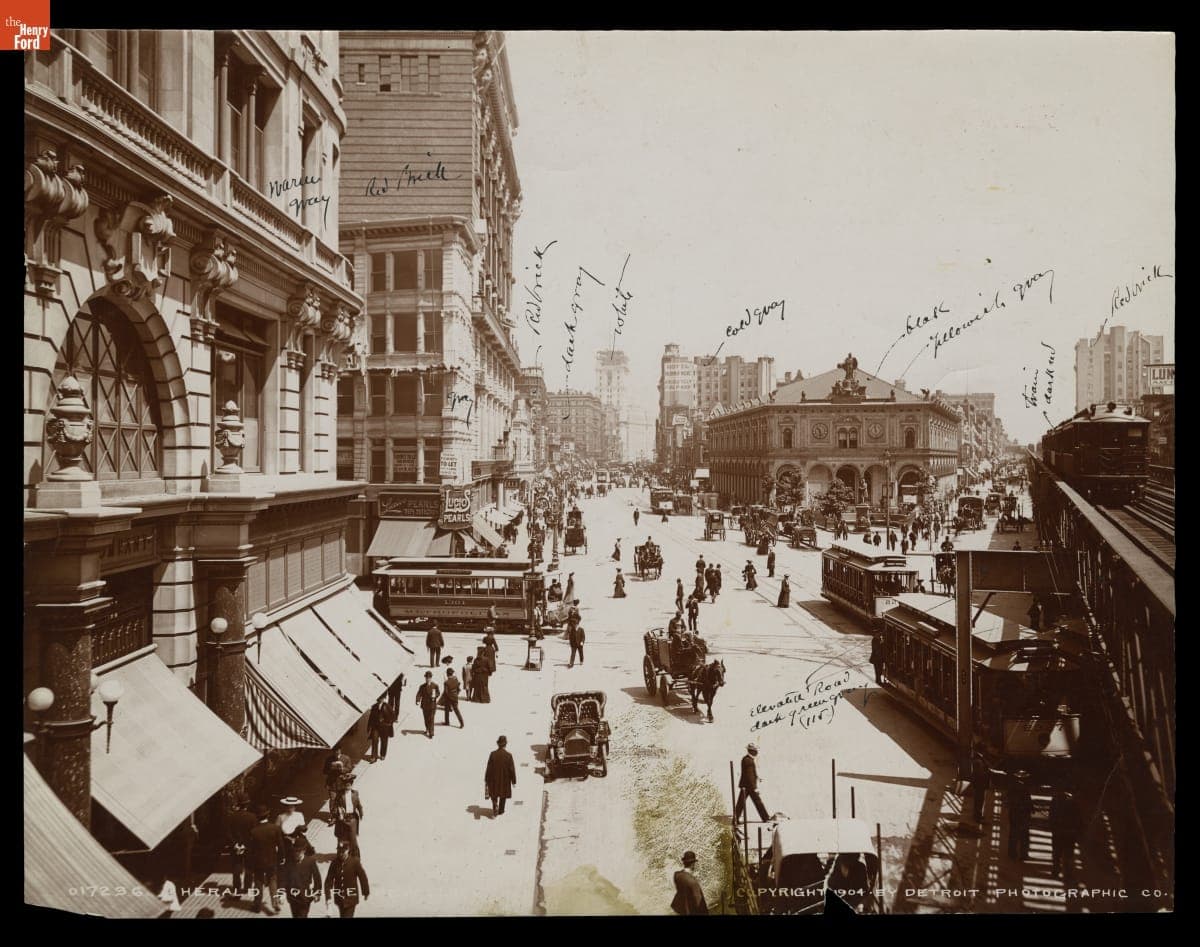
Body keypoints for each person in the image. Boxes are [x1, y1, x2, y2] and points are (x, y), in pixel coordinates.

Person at [247, 805, 285, 914]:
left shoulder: (254, 831)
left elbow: (251, 850)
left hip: (258, 862)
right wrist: (282, 857)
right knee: (273, 880)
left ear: (257, 817)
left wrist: (249, 863)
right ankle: (275, 903)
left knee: (258, 882)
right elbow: (281, 845)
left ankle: (257, 905)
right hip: (272, 860)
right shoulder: (275, 828)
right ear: (268, 815)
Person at [324, 842, 370, 918]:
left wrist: (366, 892)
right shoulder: (334, 863)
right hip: (339, 899)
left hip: (351, 898)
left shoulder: (354, 862)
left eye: (343, 851)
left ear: (348, 850)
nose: (341, 854)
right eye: (339, 851)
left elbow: (363, 877)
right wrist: (328, 898)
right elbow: (328, 881)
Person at [280, 837, 322, 918]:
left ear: (304, 851)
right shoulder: (289, 861)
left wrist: (317, 892)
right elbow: (284, 877)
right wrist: (281, 893)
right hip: (292, 898)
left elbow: (317, 878)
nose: (296, 853)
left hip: (305, 898)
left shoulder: (310, 861)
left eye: (298, 851)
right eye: (295, 851)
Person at [226, 793, 256, 894]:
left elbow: (228, 833)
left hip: (235, 847)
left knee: (236, 868)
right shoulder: (252, 817)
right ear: (247, 805)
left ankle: (237, 889)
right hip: (248, 847)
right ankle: (247, 888)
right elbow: (253, 833)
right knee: (249, 868)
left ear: (238, 804)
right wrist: (245, 845)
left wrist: (235, 844)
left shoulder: (231, 817)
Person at [1050, 789, 1082, 881]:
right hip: (1070, 833)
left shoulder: (1055, 801)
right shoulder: (1074, 803)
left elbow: (1051, 817)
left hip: (1058, 833)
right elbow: (1078, 819)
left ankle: (1056, 871)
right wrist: (1079, 831)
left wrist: (1053, 828)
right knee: (1068, 854)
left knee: (1056, 853)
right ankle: (1067, 874)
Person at [734, 743, 771, 822]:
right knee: (758, 802)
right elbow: (749, 776)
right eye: (755, 751)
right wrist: (755, 788)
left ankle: (735, 819)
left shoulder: (746, 759)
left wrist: (757, 777)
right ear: (751, 751)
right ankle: (766, 818)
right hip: (749, 786)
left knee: (741, 803)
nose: (757, 752)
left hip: (745, 785)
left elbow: (749, 774)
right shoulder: (749, 761)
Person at [331, 773, 363, 857]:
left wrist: (361, 811)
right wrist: (337, 813)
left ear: (351, 784)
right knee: (342, 838)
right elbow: (334, 806)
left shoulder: (355, 793)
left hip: (352, 819)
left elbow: (358, 803)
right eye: (346, 784)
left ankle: (356, 857)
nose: (347, 786)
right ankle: (341, 856)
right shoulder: (340, 794)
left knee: (353, 839)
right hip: (342, 819)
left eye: (349, 784)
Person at [485, 735, 517, 816]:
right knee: (503, 794)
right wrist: (513, 781)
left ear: (498, 744)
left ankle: (495, 804)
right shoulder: (508, 755)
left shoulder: (492, 754)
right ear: (505, 744)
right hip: (505, 779)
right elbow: (511, 769)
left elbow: (489, 767)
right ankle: (501, 810)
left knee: (494, 792)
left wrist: (486, 778)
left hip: (494, 778)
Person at [671, 851, 709, 915]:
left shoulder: (677, 875)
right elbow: (700, 903)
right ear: (693, 864)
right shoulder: (693, 882)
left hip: (682, 911)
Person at [1007, 772, 1032, 860]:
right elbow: (1027, 802)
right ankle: (1023, 854)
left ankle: (1012, 853)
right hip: (1022, 815)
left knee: (1014, 834)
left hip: (1014, 814)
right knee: (1024, 835)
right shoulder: (1024, 789)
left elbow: (1008, 800)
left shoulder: (1012, 787)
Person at [367, 695, 396, 762]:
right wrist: (369, 726)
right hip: (376, 727)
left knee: (384, 741)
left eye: (381, 698)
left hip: (384, 728)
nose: (380, 699)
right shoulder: (374, 707)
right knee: (374, 740)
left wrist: (388, 722)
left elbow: (393, 717)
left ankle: (382, 754)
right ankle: (374, 757)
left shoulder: (388, 707)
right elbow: (371, 718)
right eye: (379, 698)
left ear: (383, 699)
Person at [416, 671, 440, 738]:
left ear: (431, 678)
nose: (428, 679)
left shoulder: (435, 685)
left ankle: (431, 733)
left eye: (429, 678)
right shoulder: (422, 686)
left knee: (431, 719)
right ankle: (427, 729)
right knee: (426, 719)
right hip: (424, 705)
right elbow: (419, 694)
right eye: (426, 678)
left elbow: (438, 693)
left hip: (432, 705)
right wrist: (417, 700)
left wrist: (435, 695)